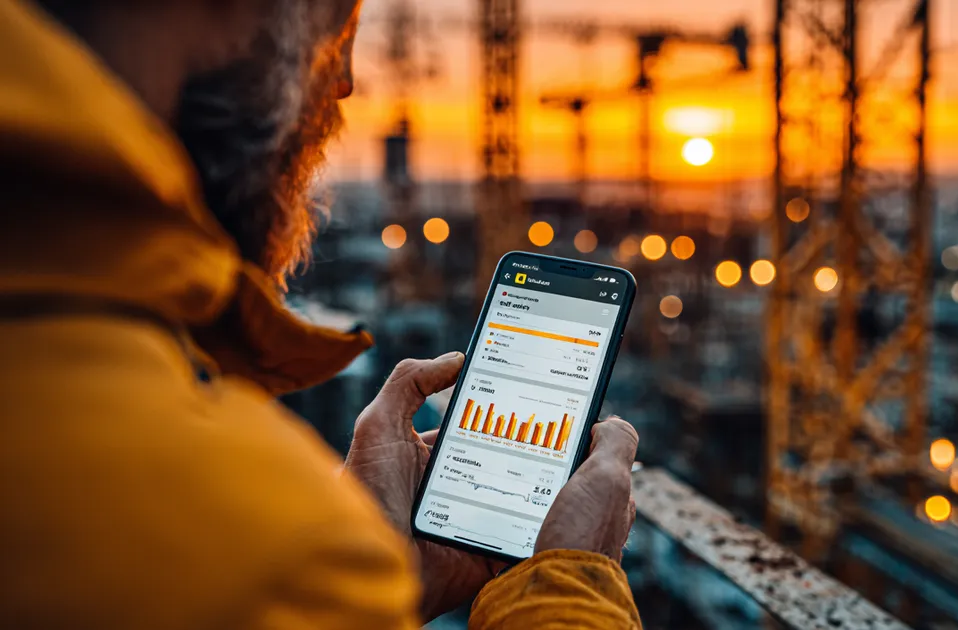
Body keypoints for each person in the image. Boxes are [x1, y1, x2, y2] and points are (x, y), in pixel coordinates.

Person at [0, 0, 642, 627]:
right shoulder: (270, 552)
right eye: (338, 24)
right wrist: (564, 582)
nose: (344, 81)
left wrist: (382, 572)